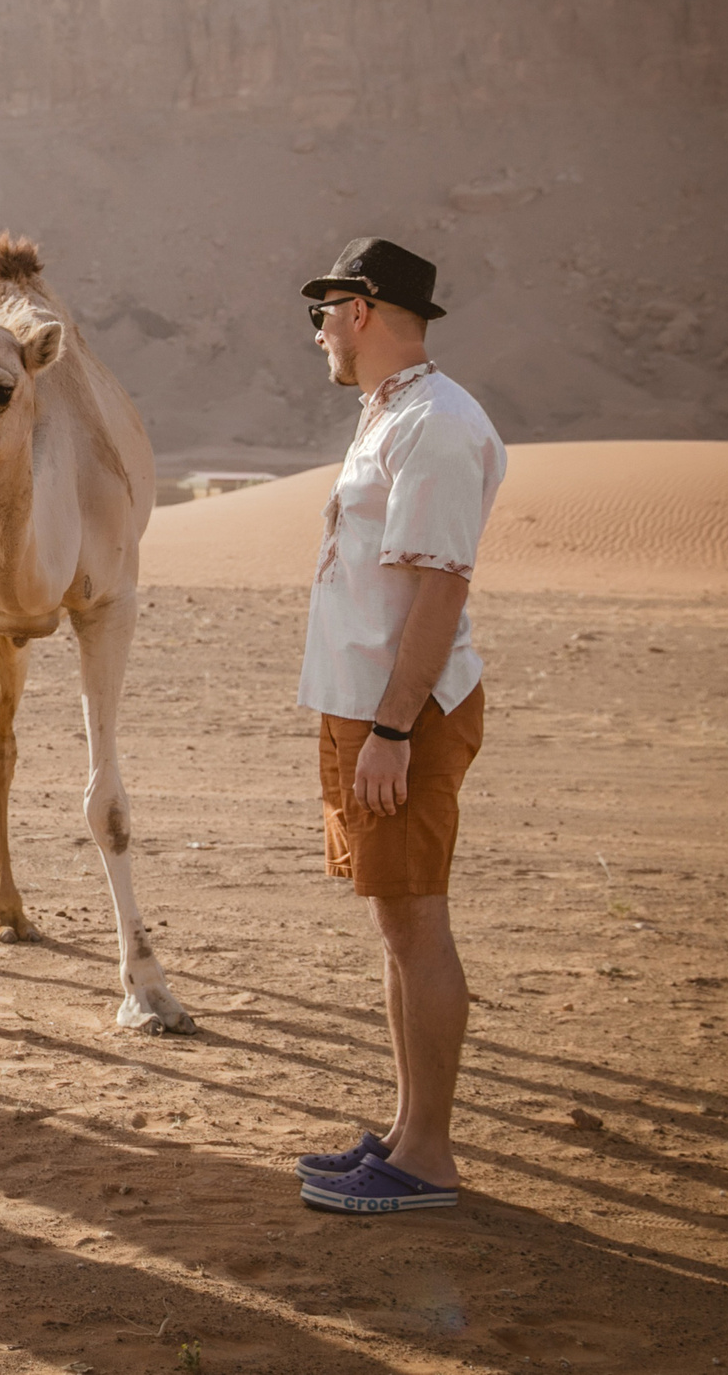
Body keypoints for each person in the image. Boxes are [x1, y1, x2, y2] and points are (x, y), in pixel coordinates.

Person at [289, 238, 505, 1213]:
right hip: (366, 711)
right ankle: (407, 1131)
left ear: (362, 309)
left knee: (416, 921)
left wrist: (394, 731)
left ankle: (426, 1159)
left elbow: (437, 588)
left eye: (324, 311)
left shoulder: (438, 426)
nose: (319, 332)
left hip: (399, 717)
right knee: (394, 921)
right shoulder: (391, 415)